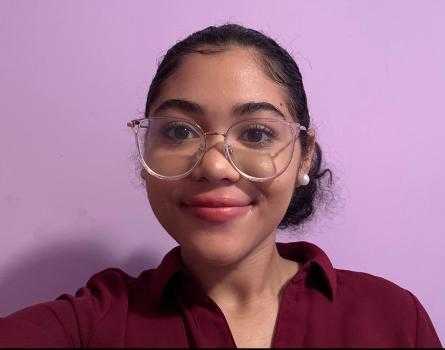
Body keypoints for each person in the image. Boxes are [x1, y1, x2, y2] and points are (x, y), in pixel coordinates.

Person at [0, 23, 441, 348]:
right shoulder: (93, 325)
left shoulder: (394, 320)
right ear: (145, 155)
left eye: (256, 133)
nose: (214, 166)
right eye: (178, 132)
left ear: (303, 153)